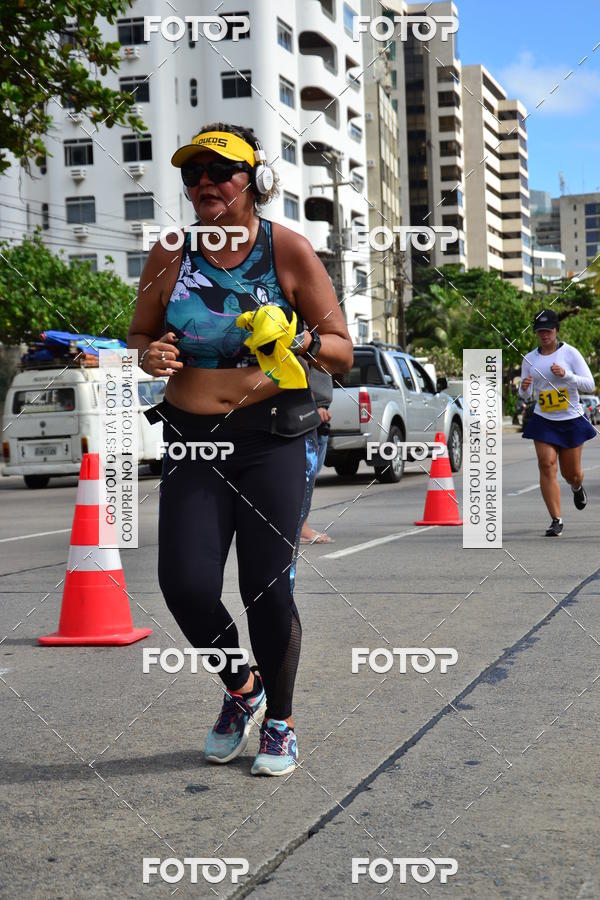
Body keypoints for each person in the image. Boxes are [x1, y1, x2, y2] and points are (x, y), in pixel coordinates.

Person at [127, 123, 353, 775]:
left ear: (254, 180)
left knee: (264, 586)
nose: (204, 184)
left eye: (219, 171)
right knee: (185, 584)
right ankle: (243, 690)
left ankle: (279, 723)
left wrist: (299, 340)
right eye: (192, 174)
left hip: (272, 436)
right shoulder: (170, 253)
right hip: (192, 439)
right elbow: (141, 336)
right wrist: (154, 355)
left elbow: (340, 349)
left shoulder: (289, 251)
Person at [519, 308, 596, 536]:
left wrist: (566, 376)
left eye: (548, 331)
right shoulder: (529, 359)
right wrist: (524, 389)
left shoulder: (570, 354)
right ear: (536, 333)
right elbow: (526, 394)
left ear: (556, 330)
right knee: (546, 464)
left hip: (571, 418)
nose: (545, 335)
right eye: (540, 331)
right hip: (544, 418)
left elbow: (589, 385)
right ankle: (556, 519)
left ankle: (577, 487)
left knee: (570, 473)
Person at [300, 366, 334, 544]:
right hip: (306, 405)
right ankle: (300, 527)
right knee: (306, 474)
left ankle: (299, 526)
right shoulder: (308, 339)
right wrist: (317, 405)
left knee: (311, 473)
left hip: (316, 407)